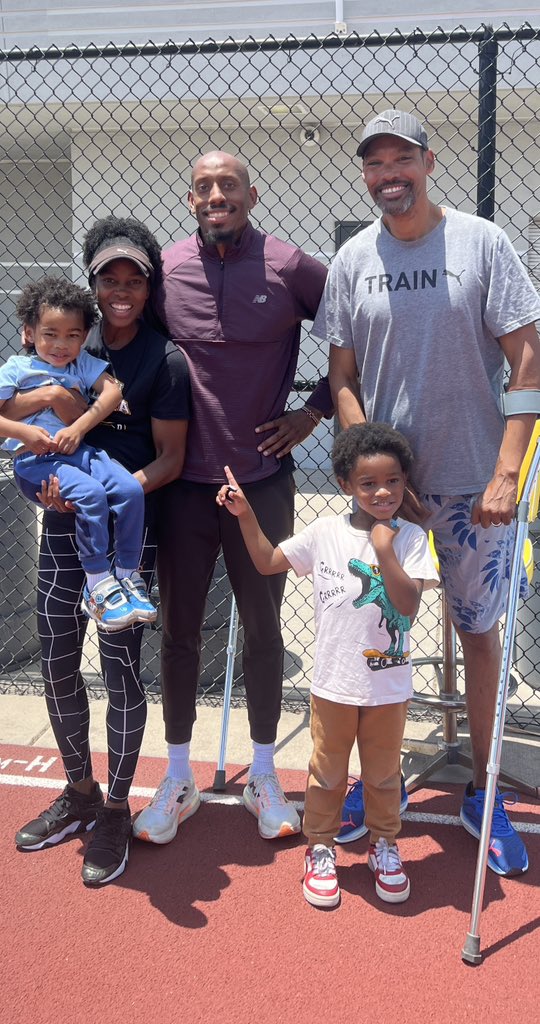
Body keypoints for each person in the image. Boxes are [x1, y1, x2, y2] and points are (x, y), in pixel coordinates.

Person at [317, 108, 540, 876]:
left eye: (401, 159)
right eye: (374, 163)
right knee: (375, 639)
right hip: (391, 497)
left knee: (481, 637)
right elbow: (342, 379)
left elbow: (528, 359)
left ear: (428, 161)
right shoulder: (351, 259)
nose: (388, 175)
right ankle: (375, 786)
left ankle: (483, 791)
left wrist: (507, 469)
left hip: (477, 491)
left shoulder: (482, 243)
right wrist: (371, 465)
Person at [133, 151, 332, 845]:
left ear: (252, 193)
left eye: (229, 185)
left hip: (263, 483)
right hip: (185, 488)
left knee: (263, 631)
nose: (217, 195)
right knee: (180, 632)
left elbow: (355, 331)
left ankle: (265, 775)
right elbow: (133, 353)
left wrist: (315, 410)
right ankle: (180, 774)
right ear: (190, 201)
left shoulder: (290, 265)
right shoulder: (165, 273)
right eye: (203, 187)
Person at [11, 216, 191, 886]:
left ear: (149, 286)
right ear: (91, 286)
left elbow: (170, 461)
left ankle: (116, 807)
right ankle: (79, 791)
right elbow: (29, 427)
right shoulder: (56, 349)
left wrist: (109, 497)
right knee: (57, 661)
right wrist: (51, 489)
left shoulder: (163, 360)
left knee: (121, 671)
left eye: (134, 280)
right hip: (63, 522)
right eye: (109, 280)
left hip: (124, 535)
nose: (121, 292)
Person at [217, 423, 438, 906]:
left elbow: (405, 606)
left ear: (404, 482)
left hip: (388, 689)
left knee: (382, 776)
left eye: (393, 481)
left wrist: (384, 549)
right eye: (368, 484)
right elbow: (266, 561)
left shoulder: (412, 539)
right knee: (326, 774)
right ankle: (319, 848)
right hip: (334, 686)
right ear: (345, 485)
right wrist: (246, 514)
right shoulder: (324, 533)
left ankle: (384, 845)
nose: (383, 492)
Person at [0, 276, 157, 630]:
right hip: (34, 460)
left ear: (84, 336)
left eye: (72, 335)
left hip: (78, 450)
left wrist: (79, 427)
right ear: (29, 332)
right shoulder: (17, 369)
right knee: (92, 494)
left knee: (131, 490)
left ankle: (128, 576)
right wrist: (24, 431)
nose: (61, 344)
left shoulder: (81, 364)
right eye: (50, 333)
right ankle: (98, 584)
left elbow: (113, 392)